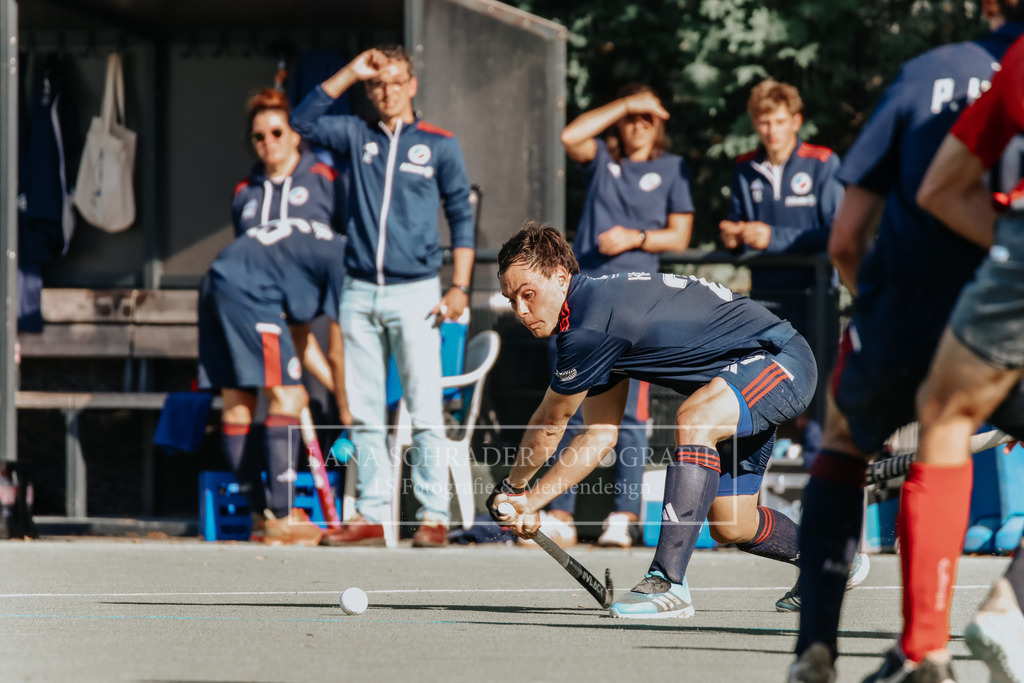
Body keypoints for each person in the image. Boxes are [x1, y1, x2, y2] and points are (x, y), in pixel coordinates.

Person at [788, 4, 1024, 681]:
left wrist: (876, 307)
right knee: (945, 444)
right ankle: (947, 635)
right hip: (1009, 310)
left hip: (907, 306)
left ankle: (816, 645)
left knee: (843, 444)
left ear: (985, 5)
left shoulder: (926, 74)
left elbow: (844, 237)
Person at [487, 222, 866, 618]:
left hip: (780, 360)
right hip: (739, 383)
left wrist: (516, 490)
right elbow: (598, 436)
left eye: (528, 294)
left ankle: (667, 581)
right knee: (733, 524)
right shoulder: (593, 318)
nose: (521, 310)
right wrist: (532, 501)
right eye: (511, 299)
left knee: (694, 417)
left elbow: (551, 424)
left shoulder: (588, 325)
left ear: (560, 276)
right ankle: (834, 559)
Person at [290, 45, 475, 547]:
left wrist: (459, 286)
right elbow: (302, 120)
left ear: (413, 85)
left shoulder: (439, 142)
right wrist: (351, 70)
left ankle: (434, 515)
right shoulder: (357, 134)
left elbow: (461, 215)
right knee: (366, 409)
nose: (386, 91)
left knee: (424, 406)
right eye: (377, 84)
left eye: (395, 81)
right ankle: (371, 513)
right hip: (358, 289)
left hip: (417, 290)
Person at [533, 83, 694, 548]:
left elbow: (680, 234)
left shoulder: (671, 167)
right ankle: (560, 513)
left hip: (638, 305)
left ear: (659, 124)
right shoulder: (604, 155)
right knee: (569, 404)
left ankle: (622, 516)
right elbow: (570, 136)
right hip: (584, 300)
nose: (638, 125)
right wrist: (626, 102)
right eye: (631, 118)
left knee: (631, 417)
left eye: (647, 117)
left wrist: (636, 238)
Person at [198, 216, 350, 546]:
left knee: (238, 405)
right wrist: (346, 406)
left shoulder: (315, 249)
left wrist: (336, 388)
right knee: (290, 399)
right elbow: (337, 352)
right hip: (251, 293)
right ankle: (282, 519)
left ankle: (260, 517)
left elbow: (300, 339)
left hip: (215, 282)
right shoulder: (346, 262)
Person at [719, 79, 845, 460]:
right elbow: (739, 225)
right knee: (765, 376)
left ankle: (818, 464)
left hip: (815, 291)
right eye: (762, 122)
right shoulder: (745, 168)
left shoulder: (822, 163)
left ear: (795, 121)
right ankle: (763, 463)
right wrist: (732, 232)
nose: (770, 131)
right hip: (768, 296)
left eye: (777, 121)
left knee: (820, 379)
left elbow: (836, 229)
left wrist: (771, 236)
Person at [232, 88, 343, 237]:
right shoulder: (243, 191)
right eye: (259, 136)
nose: (268, 141)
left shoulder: (326, 179)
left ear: (295, 135)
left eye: (276, 133)